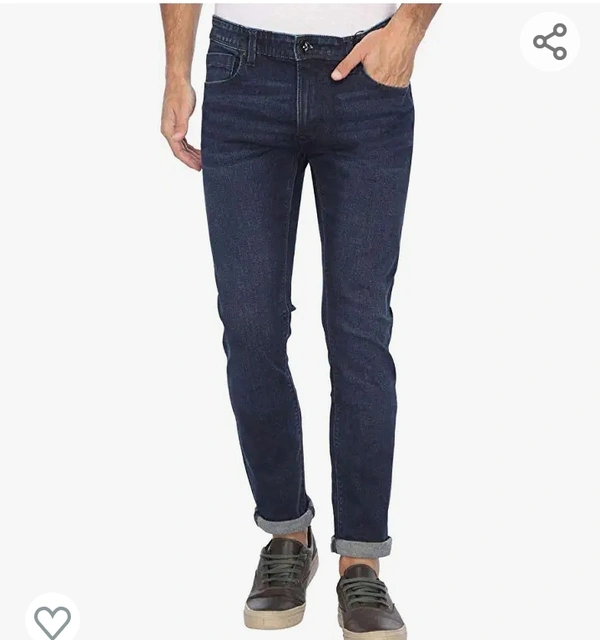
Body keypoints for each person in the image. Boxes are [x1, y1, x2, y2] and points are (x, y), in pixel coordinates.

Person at [160, 4, 440, 638]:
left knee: (359, 330)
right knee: (250, 325)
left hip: (367, 76)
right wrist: (176, 71)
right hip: (243, 73)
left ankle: (361, 559)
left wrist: (409, 27)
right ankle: (287, 535)